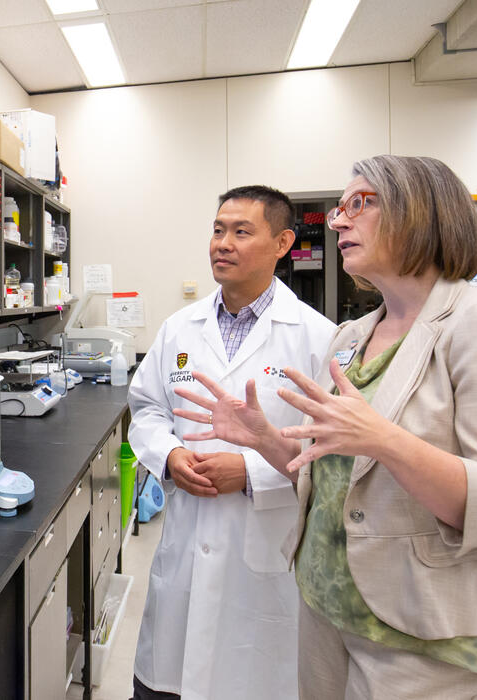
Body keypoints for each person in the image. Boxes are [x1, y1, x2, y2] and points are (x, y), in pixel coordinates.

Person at [174, 155, 477, 699]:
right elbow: (333, 479)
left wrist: (384, 439)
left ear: (421, 213)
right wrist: (264, 438)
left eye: (358, 204)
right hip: (325, 608)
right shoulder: (352, 337)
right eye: (340, 209)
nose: (338, 221)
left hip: (422, 632)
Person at [126, 185, 335, 699]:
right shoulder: (180, 329)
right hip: (187, 537)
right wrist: (170, 456)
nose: (223, 243)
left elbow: (338, 452)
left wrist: (252, 473)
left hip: (264, 549)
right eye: (218, 230)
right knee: (167, 681)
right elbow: (147, 407)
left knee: (253, 680)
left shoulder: (318, 337)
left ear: (283, 243)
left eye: (242, 232)